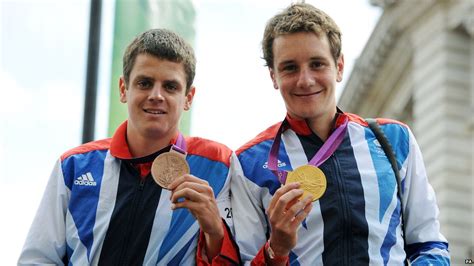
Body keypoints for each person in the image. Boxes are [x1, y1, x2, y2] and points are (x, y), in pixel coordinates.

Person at [231, 3, 450, 265]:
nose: (305, 80)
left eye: (317, 64)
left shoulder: (395, 139)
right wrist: (275, 250)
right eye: (290, 67)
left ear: (339, 66)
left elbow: (429, 244)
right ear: (273, 76)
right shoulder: (248, 163)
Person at [18, 29, 239, 265]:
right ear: (124, 89)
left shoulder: (218, 165)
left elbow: (242, 258)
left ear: (188, 97)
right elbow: (38, 259)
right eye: (144, 83)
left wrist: (216, 232)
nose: (156, 95)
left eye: (170, 87)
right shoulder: (75, 165)